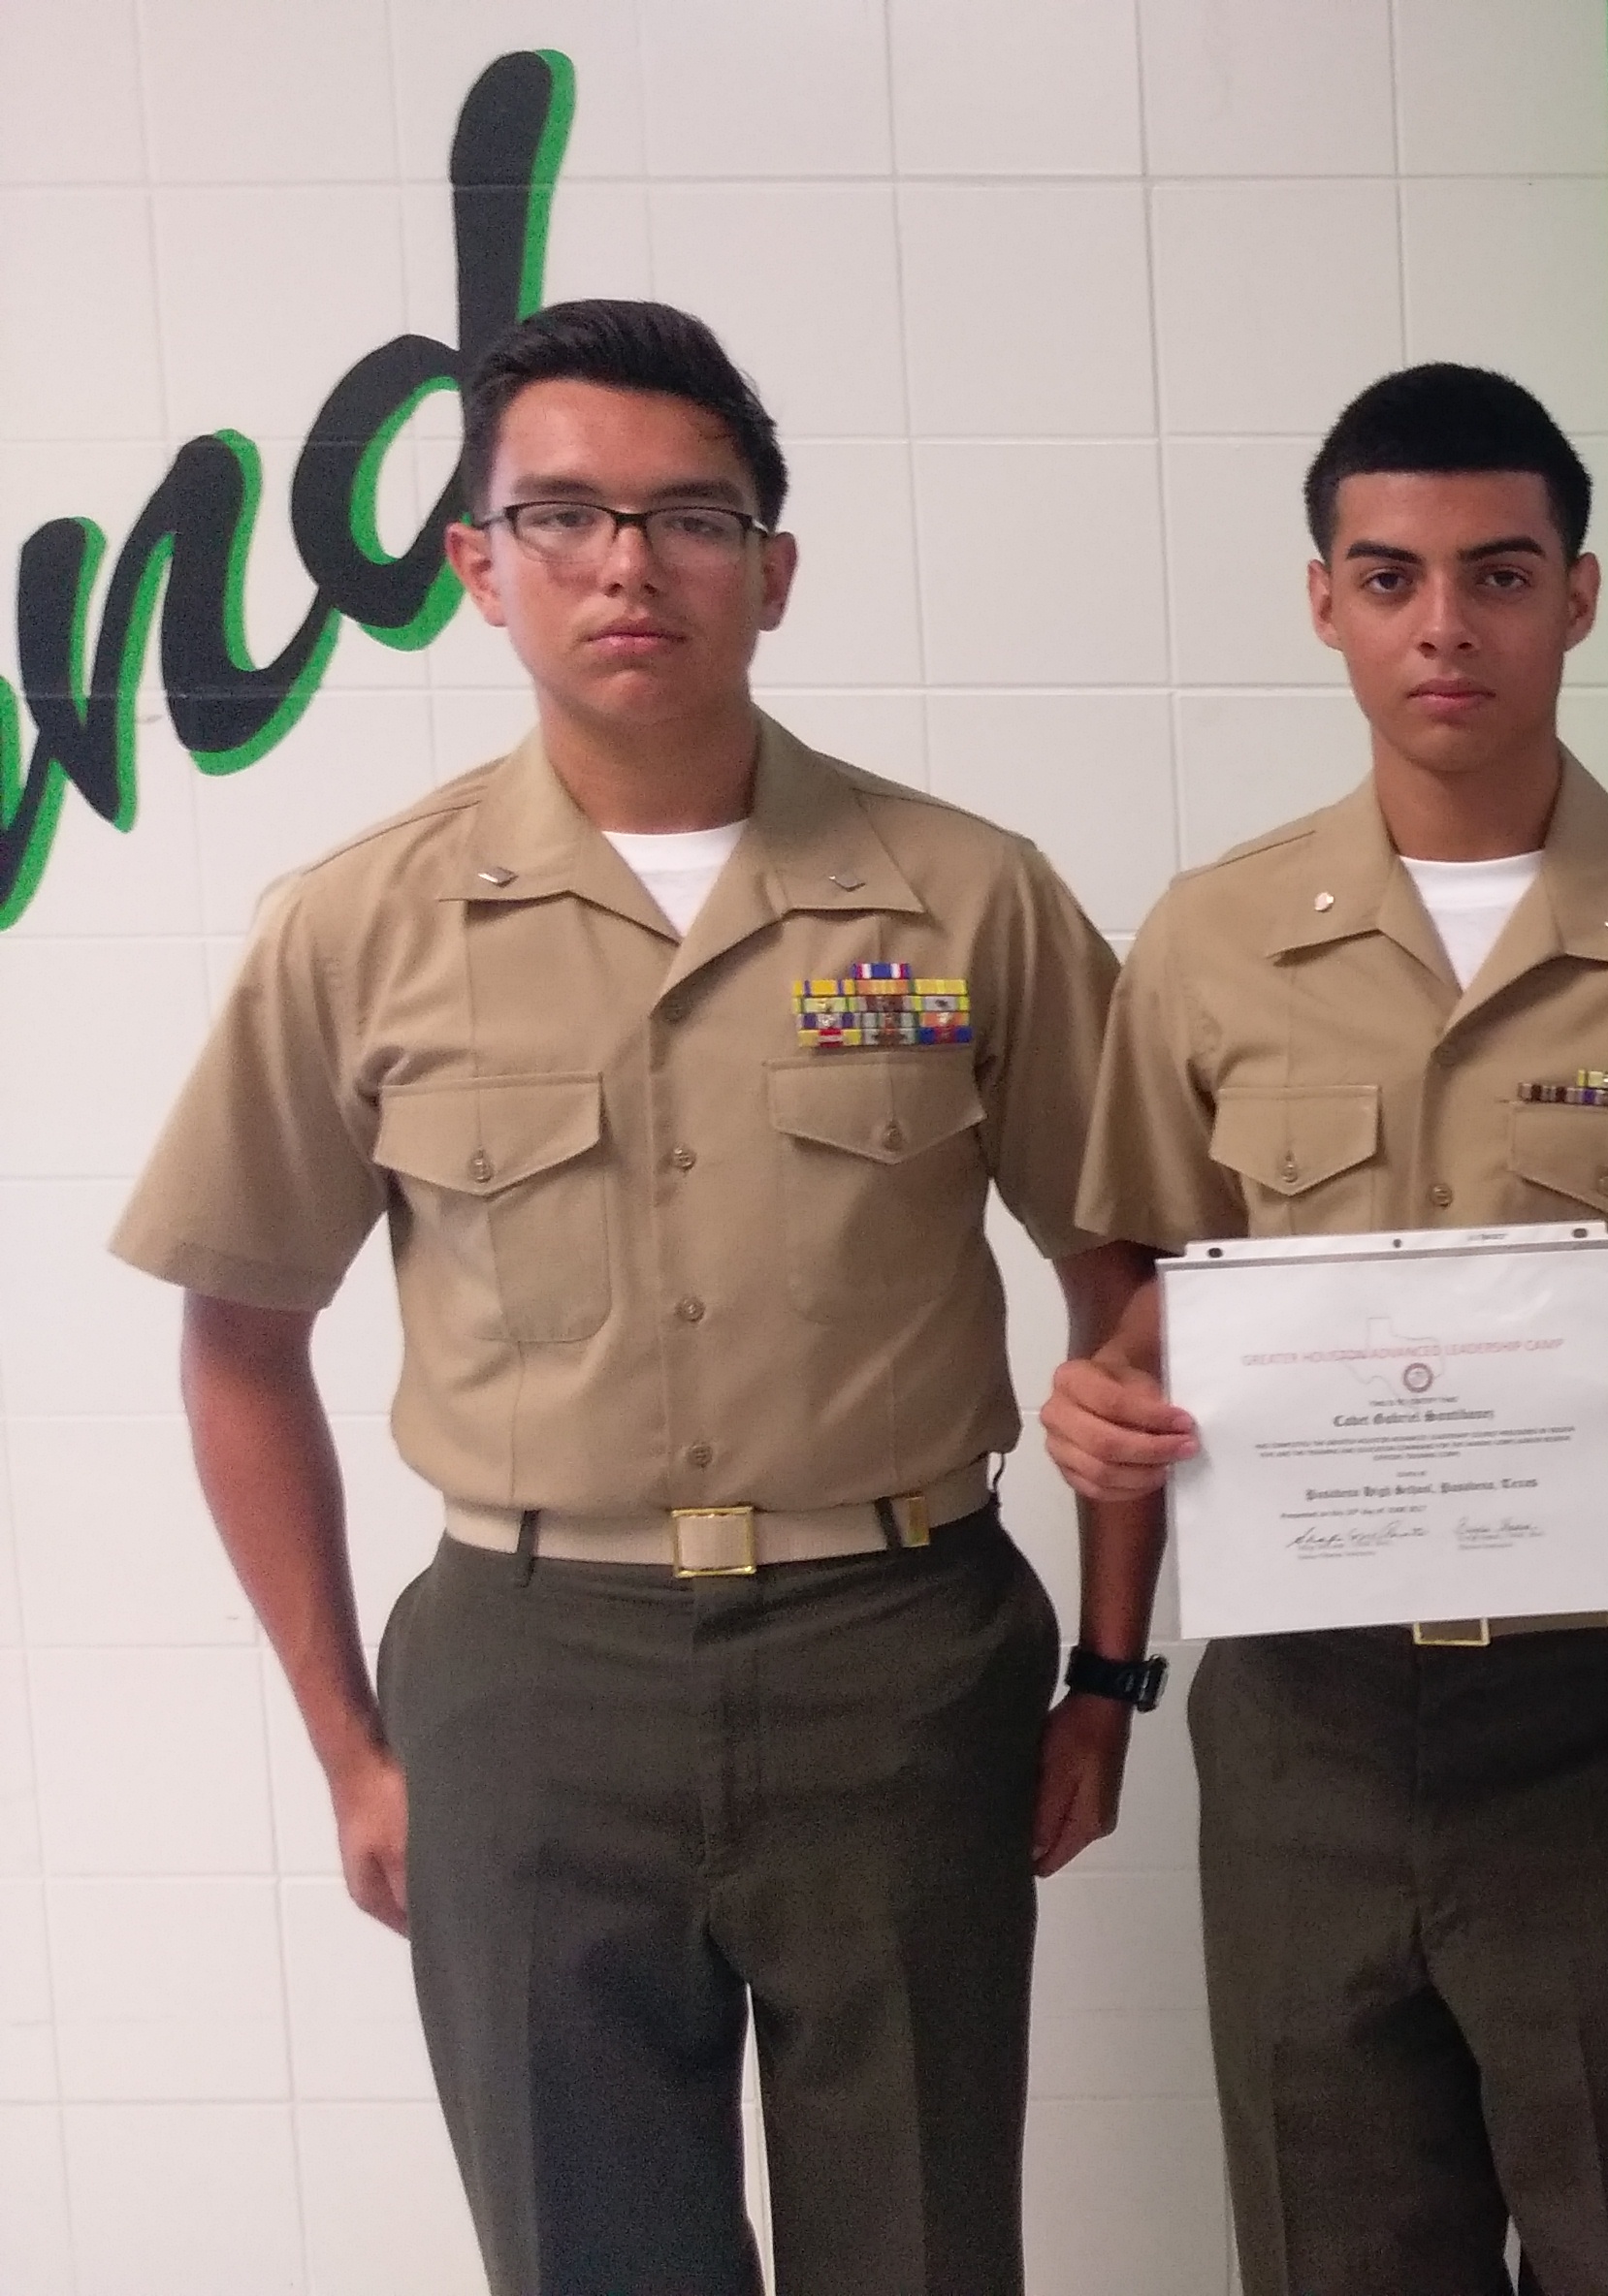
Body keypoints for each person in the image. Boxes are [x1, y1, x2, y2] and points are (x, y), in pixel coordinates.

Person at [107, 299, 1154, 2296]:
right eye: (564, 515)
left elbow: (1125, 1278)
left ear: (773, 566)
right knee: (588, 2254)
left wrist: (1109, 1671)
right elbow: (236, 1339)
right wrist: (350, 1736)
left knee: (923, 2245)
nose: (626, 564)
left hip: (903, 1655)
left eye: (689, 514)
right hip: (526, 1675)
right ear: (474, 567)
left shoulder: (965, 896)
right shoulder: (358, 925)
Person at [1037, 362, 1608, 2296]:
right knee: (1337, 2245)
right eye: (1389, 577)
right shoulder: (1209, 944)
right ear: (1323, 599)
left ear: (1578, 594)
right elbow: (1141, 1286)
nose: (1443, 626)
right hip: (1306, 1707)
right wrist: (1103, 1413)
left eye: (1497, 574)